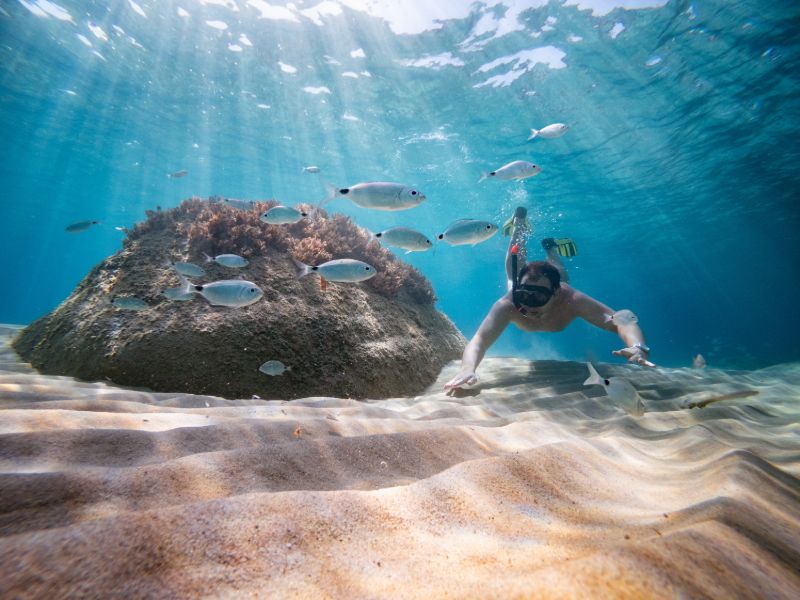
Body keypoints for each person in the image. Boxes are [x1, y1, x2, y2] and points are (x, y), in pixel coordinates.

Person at [444, 207, 654, 394]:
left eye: (539, 296)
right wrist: (467, 368)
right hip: (518, 280)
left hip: (559, 283)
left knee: (560, 273)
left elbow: (622, 321)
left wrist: (637, 346)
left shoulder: (571, 299)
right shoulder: (509, 304)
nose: (528, 303)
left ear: (556, 293)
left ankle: (551, 249)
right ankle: (519, 226)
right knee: (514, 268)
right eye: (524, 294)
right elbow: (479, 341)